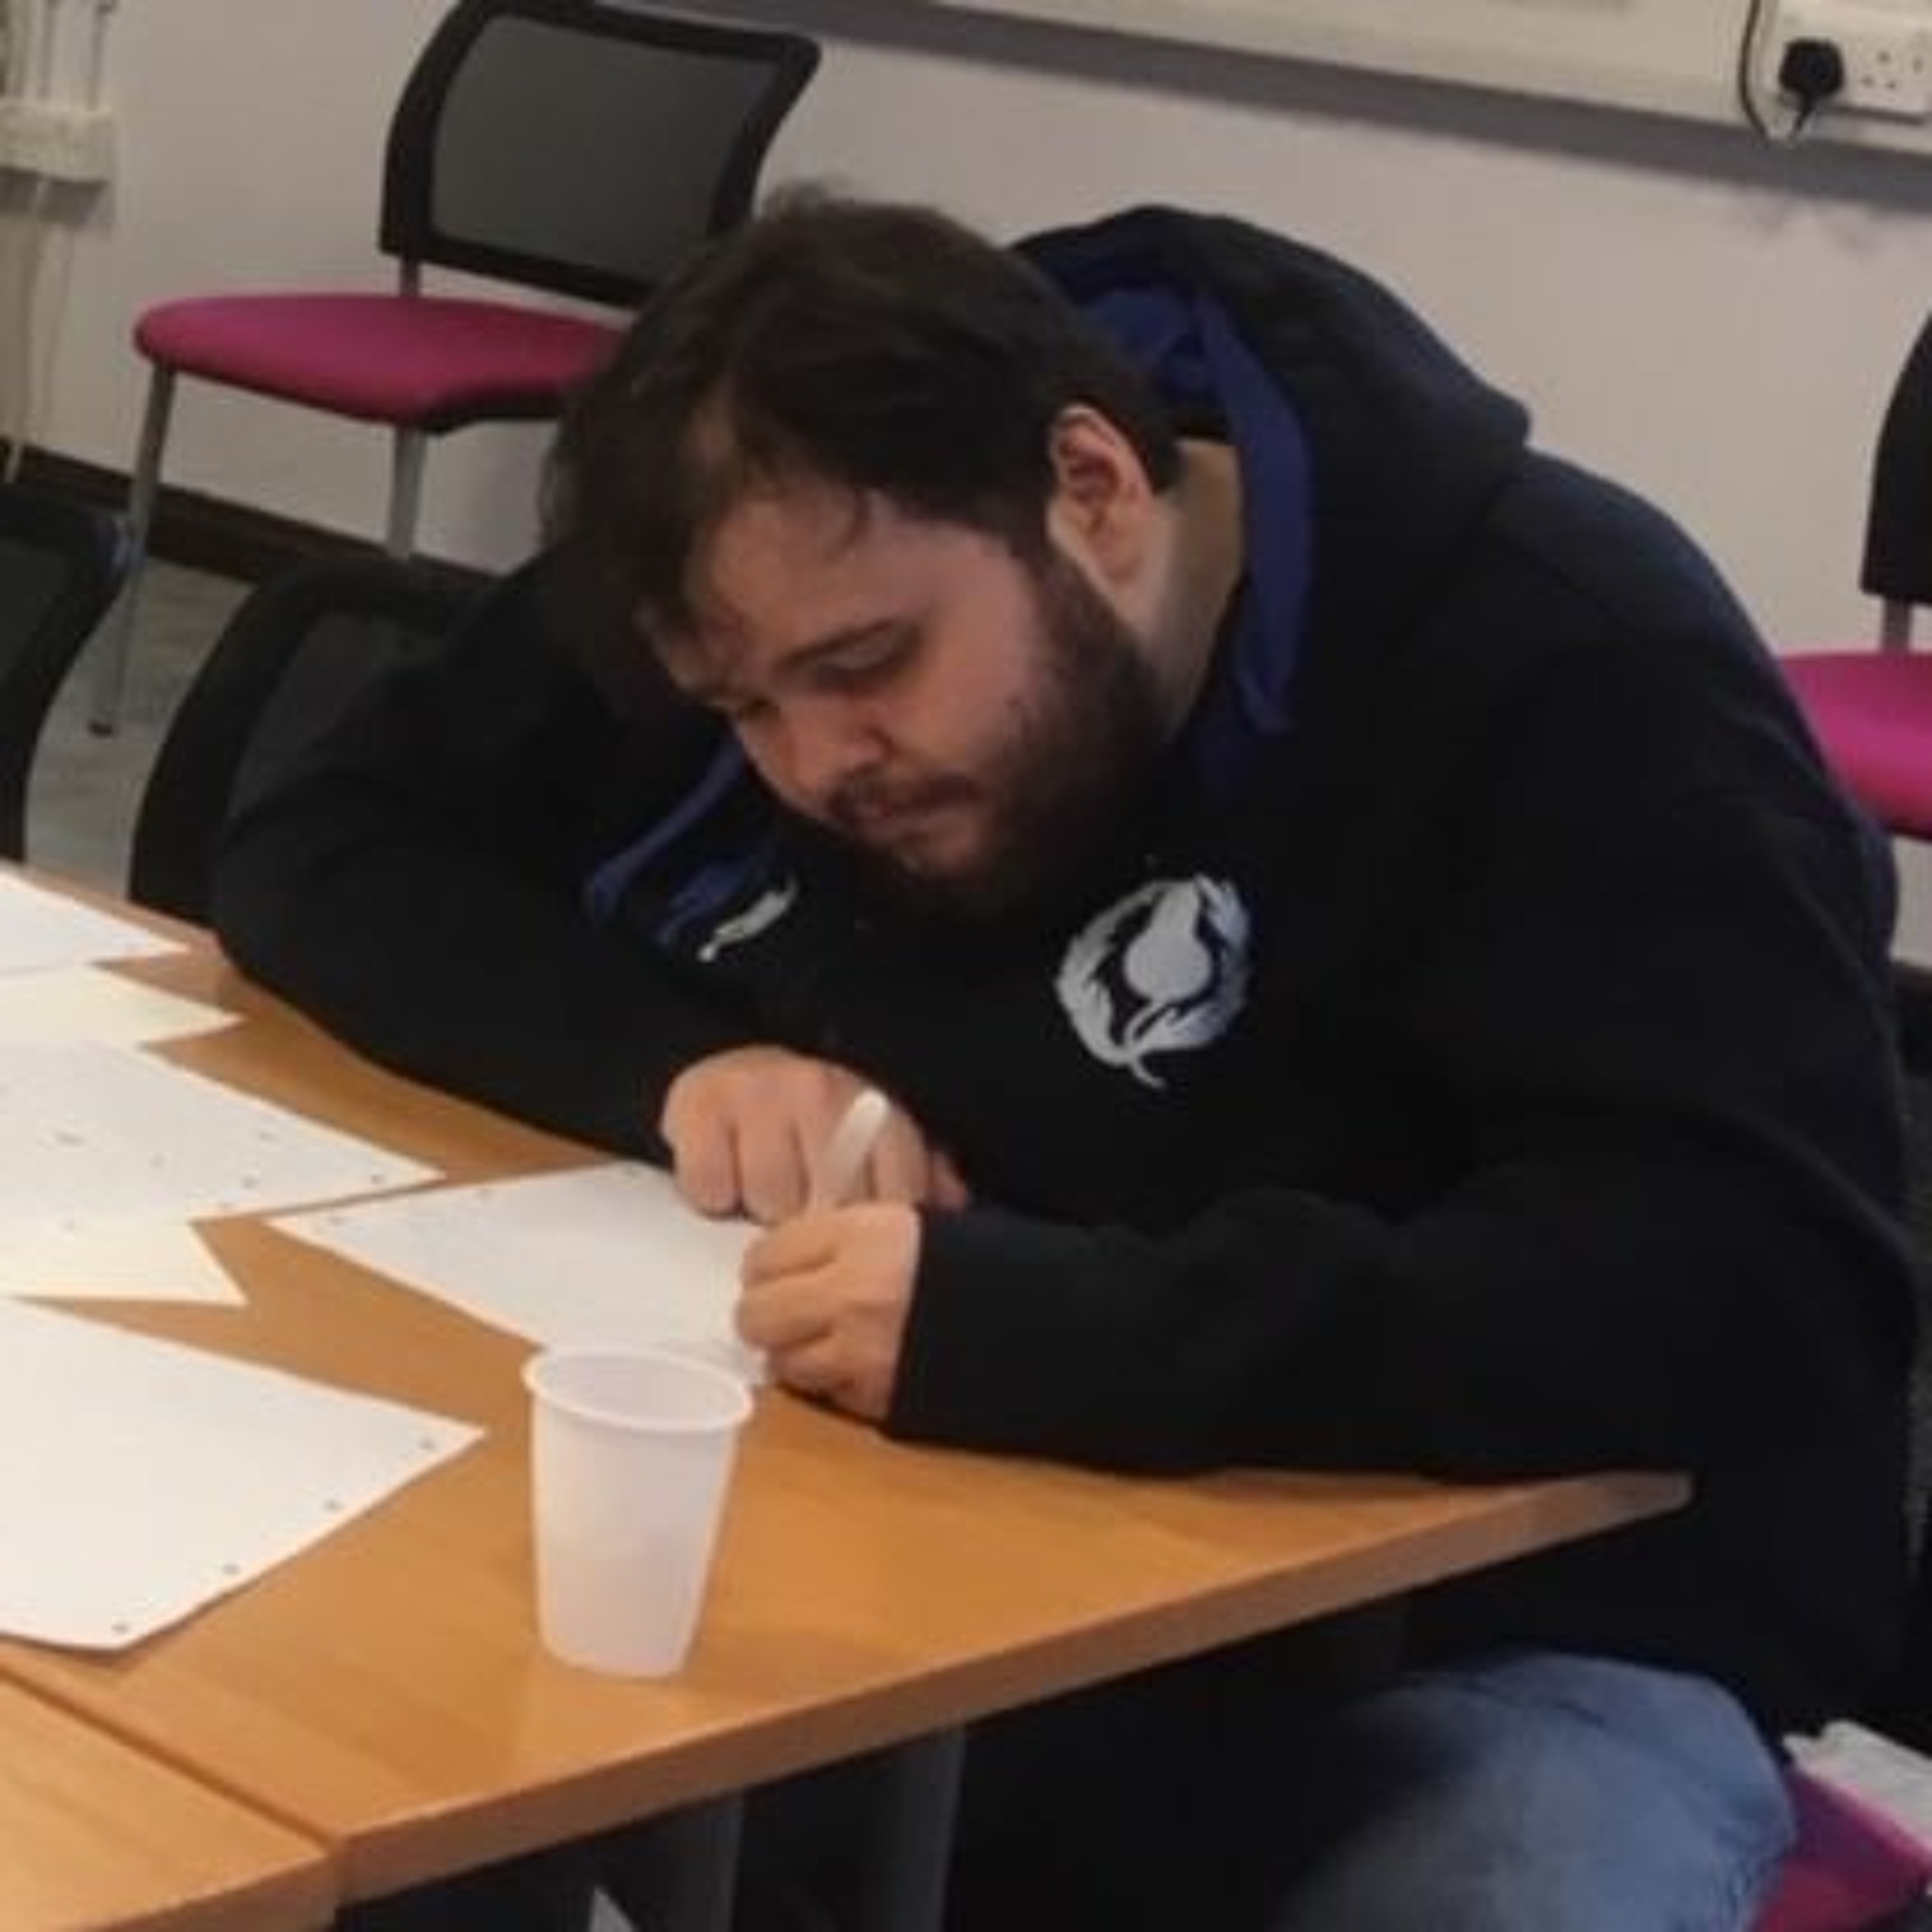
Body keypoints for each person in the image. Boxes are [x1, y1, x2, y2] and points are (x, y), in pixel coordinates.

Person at [214, 194, 1918, 1930]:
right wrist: (678, 1067)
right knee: (350, 1717)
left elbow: (1760, 1275)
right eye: (745, 712)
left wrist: (1059, 1328)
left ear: (1093, 490)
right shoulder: (771, 546)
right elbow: (323, 835)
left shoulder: (1574, 660)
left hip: (1507, 1619)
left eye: (871, 669)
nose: (816, 765)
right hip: (943, 1526)